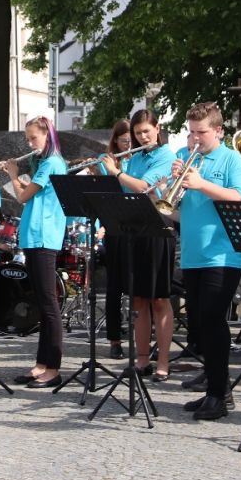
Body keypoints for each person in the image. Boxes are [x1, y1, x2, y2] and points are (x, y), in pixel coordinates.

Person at [173, 101, 241, 420]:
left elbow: (240, 197)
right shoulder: (184, 156)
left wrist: (201, 184)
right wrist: (168, 188)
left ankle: (219, 395)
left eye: (201, 132)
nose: (195, 139)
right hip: (193, 251)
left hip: (223, 252)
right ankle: (216, 388)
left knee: (213, 319)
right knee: (199, 323)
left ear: (219, 130)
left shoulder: (232, 159)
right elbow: (176, 206)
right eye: (191, 132)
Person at [104, 109, 175, 379]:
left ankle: (163, 362)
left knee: (159, 299)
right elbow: (127, 192)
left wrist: (116, 172)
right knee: (138, 299)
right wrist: (115, 171)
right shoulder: (134, 158)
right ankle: (142, 360)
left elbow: (143, 186)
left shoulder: (166, 156)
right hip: (135, 231)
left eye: (147, 131)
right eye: (138, 133)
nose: (143, 137)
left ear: (157, 129)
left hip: (158, 229)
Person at [10, 115, 69, 388]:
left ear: (47, 135)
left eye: (33, 138)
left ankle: (53, 368)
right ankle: (41, 364)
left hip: (44, 238)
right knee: (41, 304)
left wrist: (13, 174)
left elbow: (23, 196)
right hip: (34, 237)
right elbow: (33, 194)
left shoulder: (53, 162)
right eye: (28, 139)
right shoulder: (44, 164)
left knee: (49, 305)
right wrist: (22, 180)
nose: (30, 143)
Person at [99, 119, 134, 360]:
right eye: (124, 141)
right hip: (115, 229)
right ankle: (114, 339)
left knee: (139, 286)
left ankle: (142, 339)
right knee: (114, 286)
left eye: (131, 141)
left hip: (138, 227)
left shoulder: (140, 160)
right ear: (116, 141)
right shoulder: (108, 161)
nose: (128, 145)